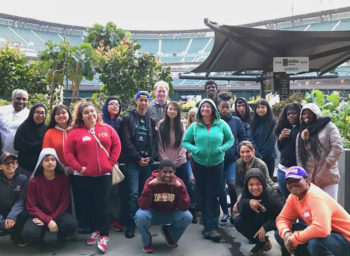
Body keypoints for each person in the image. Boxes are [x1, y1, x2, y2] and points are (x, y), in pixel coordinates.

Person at [64, 102, 121, 253]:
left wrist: (110, 164)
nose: (90, 115)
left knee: (103, 204)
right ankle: (94, 231)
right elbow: (68, 153)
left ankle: (104, 235)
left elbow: (117, 145)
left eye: (92, 111)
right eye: (86, 113)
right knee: (88, 204)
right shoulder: (75, 133)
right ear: (81, 117)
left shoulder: (107, 129)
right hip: (83, 176)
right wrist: (79, 167)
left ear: (97, 113)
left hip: (103, 175)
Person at [182, 99, 234, 242]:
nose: (205, 109)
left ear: (213, 110)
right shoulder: (195, 126)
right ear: (200, 110)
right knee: (203, 194)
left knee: (213, 194)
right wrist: (195, 150)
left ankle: (212, 227)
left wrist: (221, 149)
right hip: (199, 164)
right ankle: (207, 224)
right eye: (203, 107)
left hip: (217, 164)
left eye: (208, 107)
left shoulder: (221, 124)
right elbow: (185, 142)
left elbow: (230, 139)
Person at [275, 166, 350, 256]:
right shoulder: (293, 197)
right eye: (289, 182)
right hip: (331, 235)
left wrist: (294, 238)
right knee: (280, 234)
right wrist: (286, 233)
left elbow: (322, 229)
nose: (293, 184)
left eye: (297, 180)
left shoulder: (315, 197)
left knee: (316, 243)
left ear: (307, 180)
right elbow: (282, 218)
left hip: (345, 238)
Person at [22, 148, 77, 249]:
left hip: (58, 214)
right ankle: (39, 238)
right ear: (41, 163)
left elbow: (64, 203)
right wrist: (47, 220)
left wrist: (49, 219)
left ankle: (62, 237)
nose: (50, 162)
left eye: (53, 159)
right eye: (46, 160)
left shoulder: (64, 180)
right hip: (39, 215)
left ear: (57, 162)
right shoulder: (33, 182)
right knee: (28, 233)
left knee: (71, 224)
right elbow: (31, 206)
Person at [120, 91, 157, 239]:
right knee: (133, 193)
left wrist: (150, 157)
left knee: (145, 192)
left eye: (145, 100)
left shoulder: (151, 120)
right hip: (133, 162)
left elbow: (154, 142)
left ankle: (143, 221)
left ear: (149, 103)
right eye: (140, 100)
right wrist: (138, 158)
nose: (143, 103)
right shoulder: (128, 119)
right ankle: (130, 223)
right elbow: (126, 141)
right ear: (136, 101)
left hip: (147, 161)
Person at [134, 160, 192, 253]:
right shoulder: (150, 181)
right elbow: (143, 205)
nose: (167, 175)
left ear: (174, 172)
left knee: (187, 216)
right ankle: (147, 242)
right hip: (153, 213)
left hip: (170, 213)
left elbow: (184, 207)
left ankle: (170, 234)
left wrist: (180, 189)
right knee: (140, 216)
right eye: (164, 172)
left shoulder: (178, 182)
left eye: (170, 172)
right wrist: (149, 187)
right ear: (159, 171)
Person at [274, 103, 331, 198]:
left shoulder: (304, 127)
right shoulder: (283, 128)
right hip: (283, 170)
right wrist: (280, 139)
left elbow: (326, 118)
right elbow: (282, 149)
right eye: (288, 114)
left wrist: (307, 129)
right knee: (286, 200)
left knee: (301, 199)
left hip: (298, 172)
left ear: (300, 115)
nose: (291, 116)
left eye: (294, 113)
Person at [233, 168, 285, 256]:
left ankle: (287, 249)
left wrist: (266, 227)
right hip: (259, 217)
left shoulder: (272, 196)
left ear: (263, 184)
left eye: (258, 184)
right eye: (251, 184)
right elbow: (240, 208)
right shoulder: (246, 192)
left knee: (281, 232)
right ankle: (262, 243)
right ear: (247, 185)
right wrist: (247, 203)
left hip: (274, 220)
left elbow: (286, 216)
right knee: (236, 220)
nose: (254, 188)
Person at [296, 103, 343, 200]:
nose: (306, 116)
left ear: (316, 113)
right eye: (303, 114)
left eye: (309, 113)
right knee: (314, 210)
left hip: (328, 177)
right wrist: (303, 177)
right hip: (310, 181)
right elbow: (299, 158)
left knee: (330, 207)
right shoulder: (300, 134)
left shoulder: (329, 127)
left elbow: (337, 147)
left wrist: (327, 164)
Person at [216, 92, 247, 223]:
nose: (225, 109)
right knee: (220, 187)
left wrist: (239, 152)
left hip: (232, 159)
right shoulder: (214, 122)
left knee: (233, 183)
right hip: (218, 159)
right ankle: (225, 212)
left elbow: (243, 138)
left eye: (227, 107)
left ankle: (235, 209)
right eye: (222, 107)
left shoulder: (236, 121)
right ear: (217, 107)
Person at [101, 96, 123, 232]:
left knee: (114, 191)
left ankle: (114, 218)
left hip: (115, 161)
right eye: (111, 104)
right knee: (101, 192)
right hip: (100, 161)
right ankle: (102, 220)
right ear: (106, 106)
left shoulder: (120, 122)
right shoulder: (100, 121)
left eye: (117, 104)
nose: (115, 106)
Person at [0, 153, 28, 246]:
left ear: (17, 165)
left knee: (24, 213)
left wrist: (12, 216)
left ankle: (16, 235)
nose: (11, 165)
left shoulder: (23, 178)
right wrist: (2, 221)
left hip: (14, 210)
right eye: (7, 163)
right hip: (1, 210)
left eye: (13, 162)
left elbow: (21, 200)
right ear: (1, 166)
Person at [14, 104, 48, 176]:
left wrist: (30, 146)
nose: (40, 115)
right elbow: (17, 145)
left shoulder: (47, 129)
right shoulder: (24, 127)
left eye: (42, 113)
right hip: (25, 167)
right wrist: (39, 145)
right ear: (32, 113)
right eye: (37, 112)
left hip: (42, 168)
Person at [157, 101, 187, 182]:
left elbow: (184, 144)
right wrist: (167, 161)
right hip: (165, 164)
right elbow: (159, 144)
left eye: (175, 109)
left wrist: (177, 160)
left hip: (180, 163)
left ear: (178, 112)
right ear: (166, 110)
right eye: (170, 109)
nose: (172, 111)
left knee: (179, 186)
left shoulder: (182, 125)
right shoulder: (161, 124)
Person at [250, 99, 276, 179]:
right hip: (256, 157)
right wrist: (257, 154)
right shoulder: (253, 122)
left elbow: (271, 141)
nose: (260, 110)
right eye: (258, 107)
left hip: (269, 156)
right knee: (257, 180)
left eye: (263, 107)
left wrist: (262, 155)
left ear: (267, 108)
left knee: (268, 180)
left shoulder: (273, 122)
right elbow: (251, 139)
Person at [42, 104, 72, 170]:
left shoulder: (76, 130)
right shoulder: (50, 132)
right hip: (57, 169)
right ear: (54, 117)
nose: (61, 115)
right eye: (57, 114)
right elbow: (47, 153)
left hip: (78, 170)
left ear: (69, 114)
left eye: (64, 113)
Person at [0, 89, 29, 155]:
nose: (21, 101)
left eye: (24, 99)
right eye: (18, 98)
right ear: (12, 99)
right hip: (1, 154)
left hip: (19, 155)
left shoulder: (29, 116)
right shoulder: (2, 111)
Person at [185, 107, 198, 223]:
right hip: (189, 159)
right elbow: (184, 143)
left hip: (201, 158)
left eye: (196, 115)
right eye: (193, 116)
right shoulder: (186, 128)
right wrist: (190, 152)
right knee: (191, 179)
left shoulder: (203, 127)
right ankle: (192, 207)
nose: (195, 118)